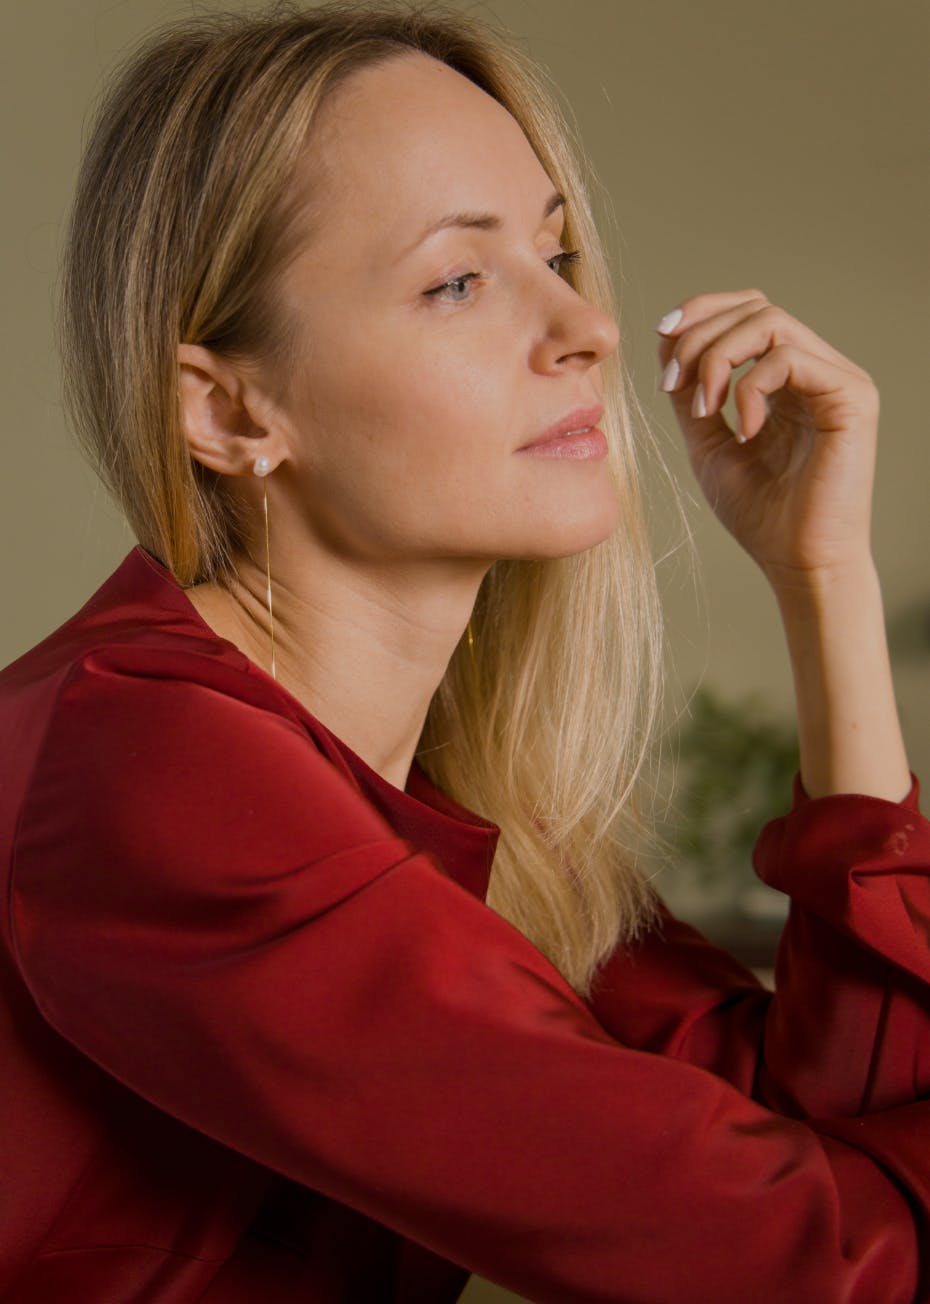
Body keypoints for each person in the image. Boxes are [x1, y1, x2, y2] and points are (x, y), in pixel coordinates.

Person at [1, 4, 927, 1301]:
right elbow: (812, 1267)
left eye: (555, 251)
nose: (586, 329)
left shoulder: (454, 811)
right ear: (225, 409)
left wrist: (821, 580)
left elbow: (811, 1122)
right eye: (455, 280)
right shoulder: (145, 774)